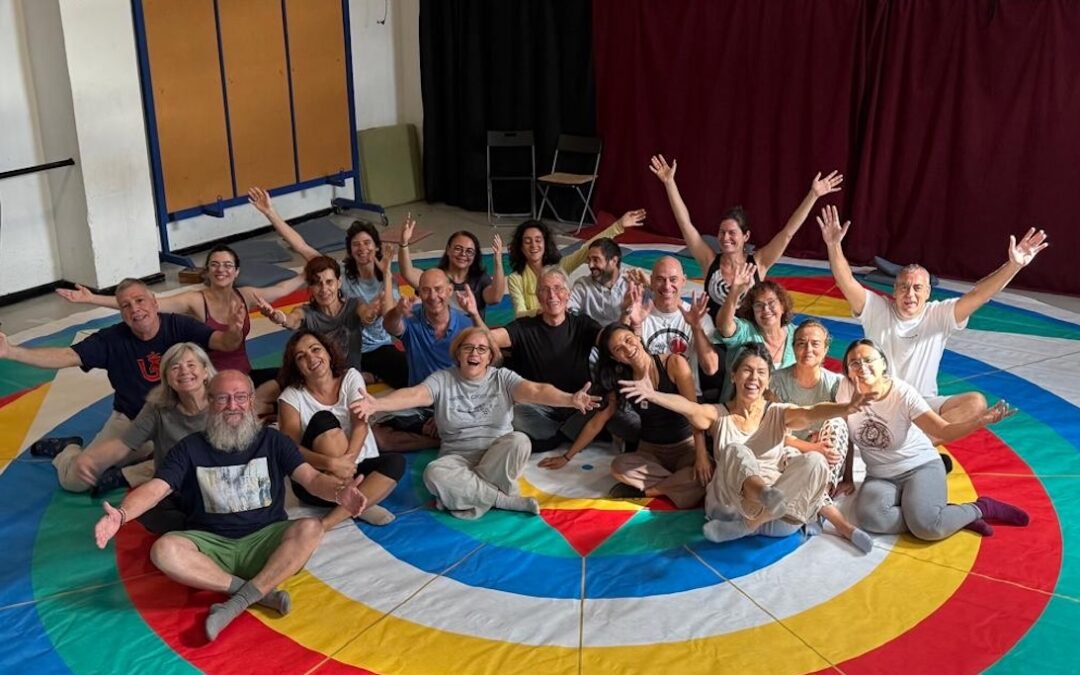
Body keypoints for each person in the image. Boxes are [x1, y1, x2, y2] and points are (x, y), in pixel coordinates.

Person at [93, 370, 369, 642]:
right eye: (222, 399)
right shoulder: (189, 448)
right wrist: (122, 514)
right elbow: (156, 489)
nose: (232, 406)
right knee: (163, 549)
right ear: (209, 404)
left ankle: (235, 603)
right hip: (212, 548)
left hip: (266, 543)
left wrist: (337, 491)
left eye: (240, 397)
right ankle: (256, 593)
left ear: (252, 401)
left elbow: (310, 478)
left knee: (311, 528)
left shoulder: (274, 441)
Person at [620, 344, 874, 549]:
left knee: (815, 461)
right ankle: (762, 497)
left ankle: (752, 524)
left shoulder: (778, 413)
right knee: (736, 451)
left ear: (768, 380)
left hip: (778, 518)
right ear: (734, 375)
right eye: (747, 370)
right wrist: (653, 395)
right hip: (730, 509)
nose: (754, 378)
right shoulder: (718, 414)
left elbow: (812, 412)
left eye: (761, 372)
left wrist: (847, 408)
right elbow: (690, 408)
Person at [819, 204, 1049, 423]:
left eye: (917, 288)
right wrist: (833, 245)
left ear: (928, 292)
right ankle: (913, 444)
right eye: (904, 287)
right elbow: (845, 280)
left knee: (975, 403)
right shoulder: (876, 308)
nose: (910, 293)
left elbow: (979, 294)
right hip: (878, 402)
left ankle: (917, 445)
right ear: (894, 290)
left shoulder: (939, 314)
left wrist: (1013, 266)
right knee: (835, 393)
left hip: (922, 406)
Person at [6, 278, 243, 485]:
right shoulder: (111, 339)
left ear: (154, 301)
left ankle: (132, 471)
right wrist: (11, 352)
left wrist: (234, 329)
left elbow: (225, 342)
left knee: (211, 456)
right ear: (121, 312)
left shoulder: (179, 325)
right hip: (135, 420)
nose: (135, 310)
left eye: (140, 301)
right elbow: (67, 356)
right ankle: (68, 450)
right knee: (76, 479)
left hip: (180, 419)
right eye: (126, 306)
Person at [351, 327, 600, 519]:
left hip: (497, 455)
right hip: (457, 458)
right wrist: (377, 404)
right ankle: (502, 499)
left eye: (482, 349)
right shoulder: (442, 379)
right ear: (457, 353)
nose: (474, 353)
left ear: (491, 356)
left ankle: (468, 492)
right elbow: (414, 394)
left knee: (519, 441)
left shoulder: (503, 378)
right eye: (468, 347)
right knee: (434, 473)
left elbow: (536, 390)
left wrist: (570, 399)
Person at [836, 339, 1029, 542]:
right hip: (880, 476)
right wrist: (847, 477)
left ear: (883, 364)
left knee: (927, 528)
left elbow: (943, 431)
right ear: (848, 371)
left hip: (920, 466)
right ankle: (945, 516)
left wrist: (980, 421)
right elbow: (846, 435)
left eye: (868, 360)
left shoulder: (902, 393)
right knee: (871, 520)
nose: (862, 367)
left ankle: (979, 508)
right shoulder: (845, 389)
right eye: (854, 363)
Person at [56, 244, 301, 383]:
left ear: (236, 272)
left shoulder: (245, 296)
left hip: (244, 375)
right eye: (214, 264)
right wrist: (91, 298)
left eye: (227, 265)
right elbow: (147, 304)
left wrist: (312, 271)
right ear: (207, 270)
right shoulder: (195, 300)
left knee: (291, 380)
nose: (221, 270)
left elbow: (281, 288)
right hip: (209, 381)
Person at [649, 154, 843, 319]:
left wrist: (813, 195)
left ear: (746, 236)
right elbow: (685, 224)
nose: (725, 238)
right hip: (715, 342)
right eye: (722, 232)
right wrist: (669, 183)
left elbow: (787, 233)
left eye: (732, 233)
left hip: (749, 344)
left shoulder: (758, 263)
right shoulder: (709, 262)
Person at [249, 187, 408, 388]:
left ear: (377, 246)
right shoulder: (335, 273)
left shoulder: (388, 282)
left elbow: (384, 318)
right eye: (356, 244)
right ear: (349, 250)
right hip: (338, 351)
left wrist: (384, 280)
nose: (362, 249)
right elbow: (301, 246)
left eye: (367, 243)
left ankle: (368, 375)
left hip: (376, 348)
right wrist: (270, 212)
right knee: (298, 378)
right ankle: (366, 376)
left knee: (408, 373)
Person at [540, 324, 710, 509]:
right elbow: (598, 421)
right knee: (619, 467)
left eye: (628, 340)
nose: (627, 349)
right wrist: (567, 457)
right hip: (651, 452)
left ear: (638, 337)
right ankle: (681, 484)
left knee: (710, 468)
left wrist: (701, 455)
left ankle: (648, 492)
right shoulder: (621, 380)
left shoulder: (674, 363)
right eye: (618, 349)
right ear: (615, 358)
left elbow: (696, 413)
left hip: (685, 446)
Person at [55, 344, 215, 521]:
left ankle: (126, 475)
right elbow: (125, 443)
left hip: (213, 480)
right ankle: (69, 449)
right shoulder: (157, 408)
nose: (184, 371)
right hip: (179, 486)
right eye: (175, 367)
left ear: (206, 372)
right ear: (167, 378)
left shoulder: (224, 400)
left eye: (191, 365)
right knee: (73, 481)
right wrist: (90, 459)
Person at [277, 330, 405, 529]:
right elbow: (289, 447)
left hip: (355, 466)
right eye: (301, 357)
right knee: (323, 420)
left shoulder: (350, 377)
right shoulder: (291, 396)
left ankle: (329, 521)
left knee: (396, 462)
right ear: (297, 367)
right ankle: (363, 498)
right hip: (319, 481)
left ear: (328, 353)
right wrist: (331, 463)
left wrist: (347, 464)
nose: (311, 358)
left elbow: (360, 425)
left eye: (315, 349)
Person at [769, 321, 869, 551]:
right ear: (792, 348)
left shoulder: (835, 383)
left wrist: (847, 476)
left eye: (815, 344)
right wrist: (810, 447)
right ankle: (839, 523)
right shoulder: (776, 380)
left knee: (837, 422)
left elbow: (846, 432)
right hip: (791, 449)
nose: (808, 350)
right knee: (787, 450)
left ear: (825, 349)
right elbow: (774, 432)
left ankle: (820, 494)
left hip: (826, 454)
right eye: (801, 343)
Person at [490, 267, 602, 452]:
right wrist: (475, 317)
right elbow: (487, 339)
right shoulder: (523, 328)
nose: (552, 295)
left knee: (606, 399)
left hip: (579, 404)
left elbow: (608, 338)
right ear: (538, 296)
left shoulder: (582, 324)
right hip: (540, 409)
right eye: (544, 289)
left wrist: (630, 320)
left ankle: (554, 437)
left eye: (558, 288)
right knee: (512, 413)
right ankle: (566, 434)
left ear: (568, 294)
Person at [374, 268, 485, 451]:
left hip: (456, 403)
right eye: (426, 290)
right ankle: (441, 440)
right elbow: (390, 325)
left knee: (483, 416)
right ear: (419, 294)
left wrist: (444, 412)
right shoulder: (411, 318)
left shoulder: (466, 325)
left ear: (449, 291)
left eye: (438, 289)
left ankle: (442, 431)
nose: (433, 296)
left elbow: (484, 366)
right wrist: (397, 311)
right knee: (377, 436)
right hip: (419, 403)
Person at [259, 254, 392, 373]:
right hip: (319, 380)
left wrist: (374, 312)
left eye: (329, 282)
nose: (324, 289)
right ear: (310, 287)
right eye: (317, 284)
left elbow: (366, 316)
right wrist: (277, 317)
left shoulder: (354, 305)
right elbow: (292, 320)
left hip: (350, 377)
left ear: (338, 283)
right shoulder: (307, 313)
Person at [506, 209, 645, 318]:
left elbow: (586, 250)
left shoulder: (559, 268)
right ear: (520, 246)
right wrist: (546, 310)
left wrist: (618, 226)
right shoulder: (515, 278)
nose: (533, 245)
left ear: (545, 243)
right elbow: (519, 314)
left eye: (538, 240)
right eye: (527, 241)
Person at [621, 256, 719, 399]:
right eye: (660, 279)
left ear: (683, 281)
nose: (667, 286)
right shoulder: (639, 313)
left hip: (686, 398)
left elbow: (710, 368)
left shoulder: (698, 316)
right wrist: (627, 314)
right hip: (647, 396)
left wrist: (696, 327)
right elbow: (619, 357)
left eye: (673, 280)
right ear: (652, 281)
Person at [714, 262, 797, 401]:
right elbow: (724, 326)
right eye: (759, 305)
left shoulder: (797, 335)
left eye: (771, 303)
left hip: (785, 415)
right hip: (739, 413)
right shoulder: (746, 331)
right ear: (752, 311)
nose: (766, 310)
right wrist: (734, 292)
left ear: (782, 306)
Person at [397, 215, 506, 319]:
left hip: (472, 335)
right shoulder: (435, 277)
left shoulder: (480, 279)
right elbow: (408, 272)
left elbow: (495, 298)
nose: (463, 254)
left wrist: (498, 262)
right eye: (458, 248)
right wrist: (404, 243)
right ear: (448, 250)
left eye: (469, 251)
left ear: (475, 256)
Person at [568, 237, 648, 325]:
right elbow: (567, 313)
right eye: (589, 260)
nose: (590, 265)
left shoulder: (632, 281)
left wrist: (649, 284)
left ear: (614, 261)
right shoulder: (583, 286)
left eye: (596, 260)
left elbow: (661, 305)